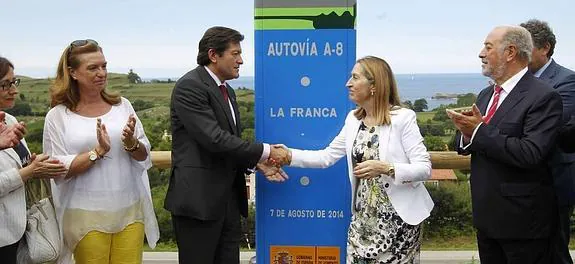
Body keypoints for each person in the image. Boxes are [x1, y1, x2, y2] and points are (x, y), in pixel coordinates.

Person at [275, 56, 433, 263]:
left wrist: (386, 168)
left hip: (399, 221)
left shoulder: (403, 118)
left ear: (374, 85)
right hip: (363, 220)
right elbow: (327, 156)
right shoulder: (353, 120)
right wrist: (288, 155)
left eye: (355, 77)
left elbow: (424, 168)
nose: (348, 83)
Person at [164, 26, 289, 264]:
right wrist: (265, 152)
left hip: (228, 203)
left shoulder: (227, 91)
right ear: (213, 55)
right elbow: (214, 139)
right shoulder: (189, 87)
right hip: (198, 205)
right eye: (235, 53)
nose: (241, 60)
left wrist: (256, 164)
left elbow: (228, 144)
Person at [447, 25, 563, 264]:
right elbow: (464, 143)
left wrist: (478, 130)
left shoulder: (543, 96)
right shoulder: (485, 95)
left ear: (510, 52)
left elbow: (530, 153)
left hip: (523, 225)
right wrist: (466, 133)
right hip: (487, 220)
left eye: (488, 47)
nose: (481, 53)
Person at [42, 40, 159, 264]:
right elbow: (56, 169)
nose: (101, 73)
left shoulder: (122, 105)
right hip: (85, 214)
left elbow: (144, 155)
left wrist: (131, 143)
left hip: (129, 211)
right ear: (73, 73)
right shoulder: (58, 116)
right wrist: (97, 152)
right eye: (93, 68)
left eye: (104, 66)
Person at [0, 57, 67, 264]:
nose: (14, 90)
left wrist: (34, 164)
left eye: (14, 82)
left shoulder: (9, 120)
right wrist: (29, 172)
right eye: (5, 84)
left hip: (16, 231)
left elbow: (21, 164)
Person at [521, 19, 575, 264]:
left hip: (554, 180)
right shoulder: (514, 81)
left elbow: (550, 125)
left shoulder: (566, 80)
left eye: (526, 47)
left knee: (555, 250)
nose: (520, 53)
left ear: (545, 48)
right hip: (520, 184)